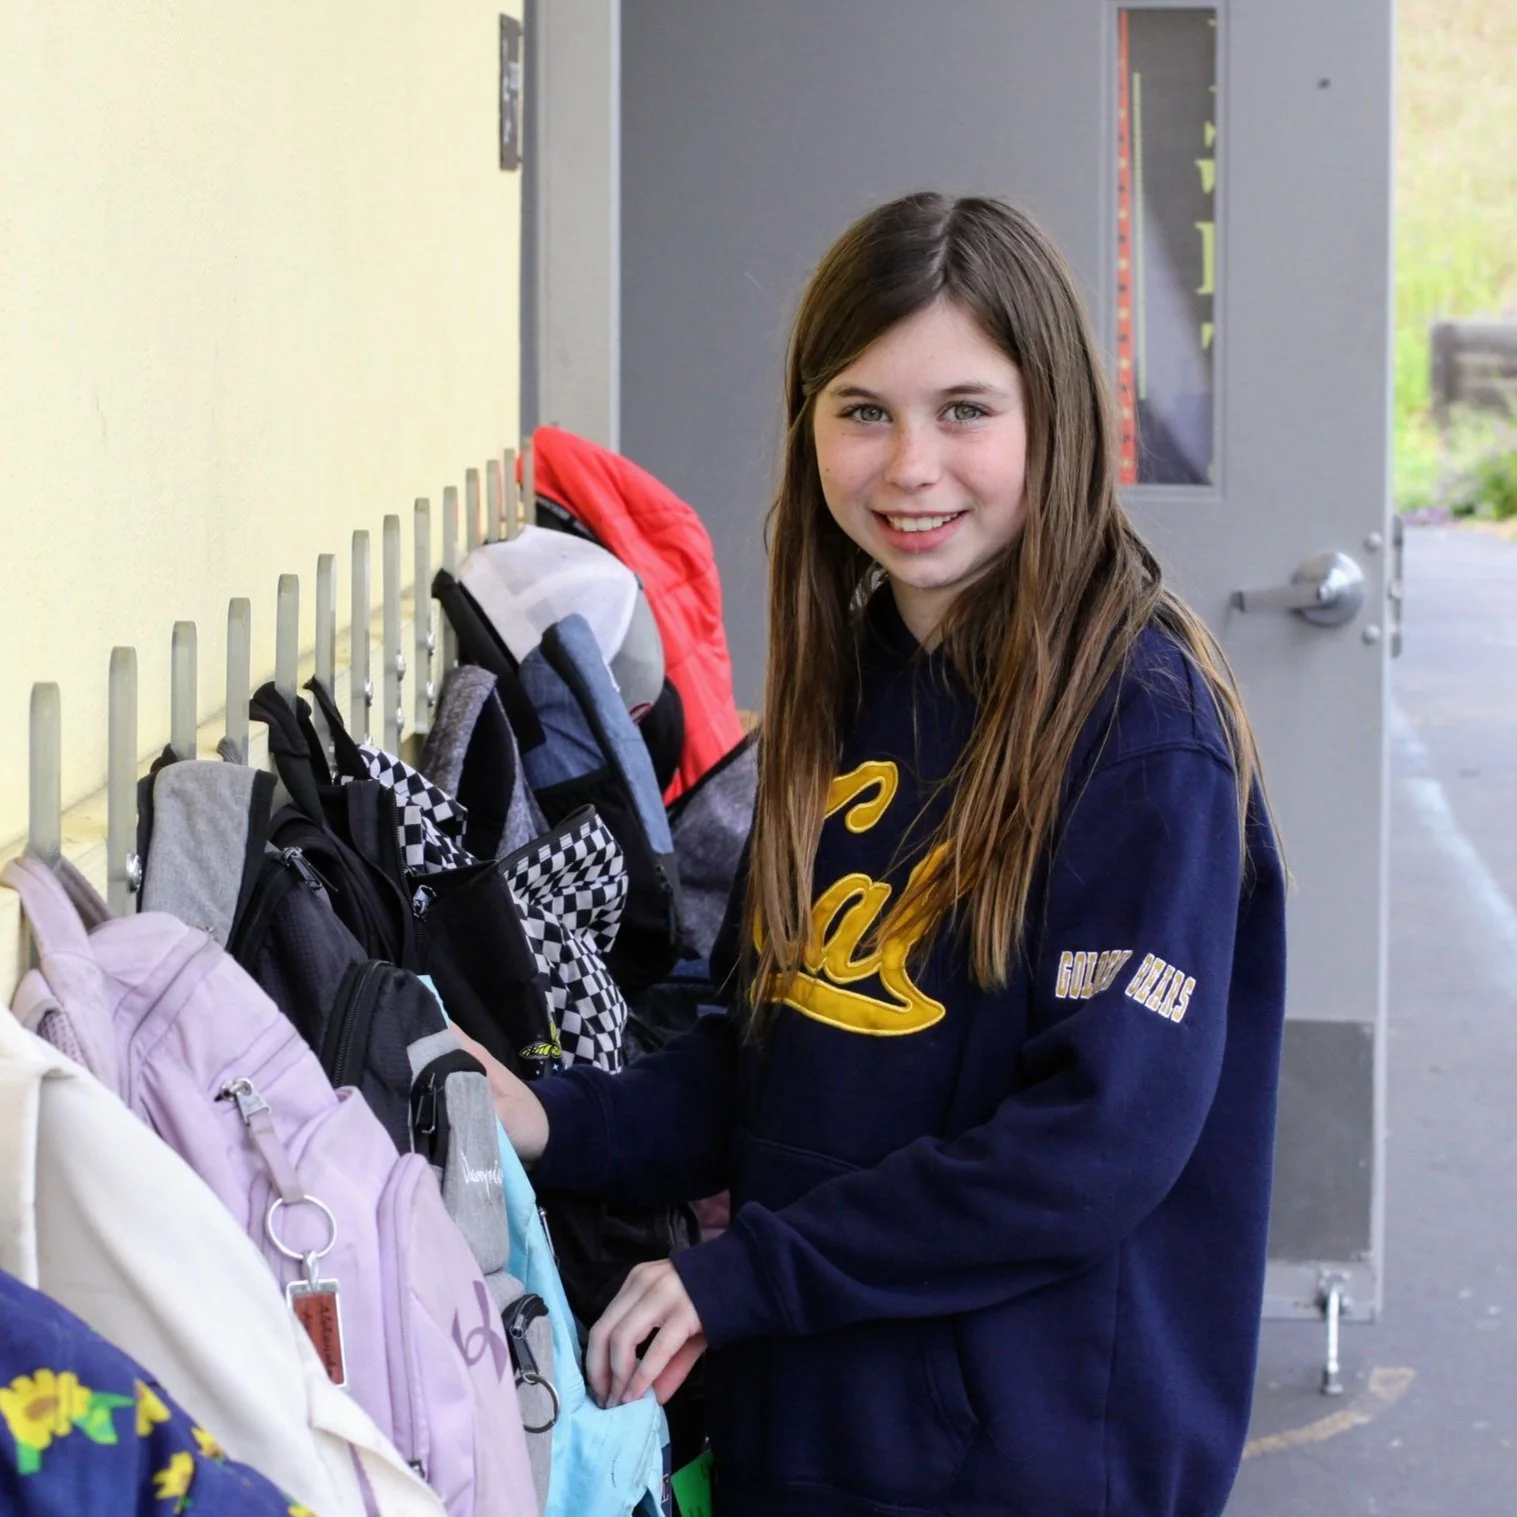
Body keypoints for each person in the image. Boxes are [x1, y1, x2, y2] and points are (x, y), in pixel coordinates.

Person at [461, 192, 1287, 1517]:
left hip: (1024, 1471)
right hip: (820, 1435)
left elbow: (1088, 1151)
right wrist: (559, 1121)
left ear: (1057, 421)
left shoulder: (1142, 732)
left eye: (965, 410)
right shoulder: (855, 684)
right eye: (864, 411)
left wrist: (751, 1276)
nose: (910, 465)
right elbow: (776, 1055)